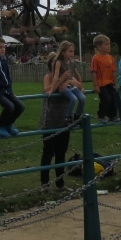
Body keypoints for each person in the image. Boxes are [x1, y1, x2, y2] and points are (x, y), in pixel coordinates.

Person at [39, 52, 72, 188]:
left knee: (61, 153)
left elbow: (80, 84)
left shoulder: (66, 78)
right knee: (48, 152)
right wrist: (60, 79)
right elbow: (48, 90)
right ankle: (45, 183)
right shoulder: (48, 77)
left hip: (64, 119)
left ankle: (60, 183)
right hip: (50, 121)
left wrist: (67, 80)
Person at [51, 41, 86, 121]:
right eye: (70, 51)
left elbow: (77, 75)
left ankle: (78, 116)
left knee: (82, 98)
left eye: (73, 51)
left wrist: (82, 87)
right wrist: (53, 88)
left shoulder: (72, 63)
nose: (72, 53)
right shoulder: (59, 62)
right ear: (63, 52)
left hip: (70, 85)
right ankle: (68, 117)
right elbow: (55, 76)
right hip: (62, 86)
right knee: (73, 99)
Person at [90, 35, 120, 124]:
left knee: (114, 98)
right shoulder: (96, 58)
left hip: (110, 82)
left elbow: (113, 71)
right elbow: (94, 72)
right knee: (106, 99)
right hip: (101, 83)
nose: (109, 46)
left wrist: (115, 83)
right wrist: (95, 85)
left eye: (109, 44)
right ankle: (101, 116)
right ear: (99, 47)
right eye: (106, 44)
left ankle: (112, 116)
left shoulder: (110, 58)